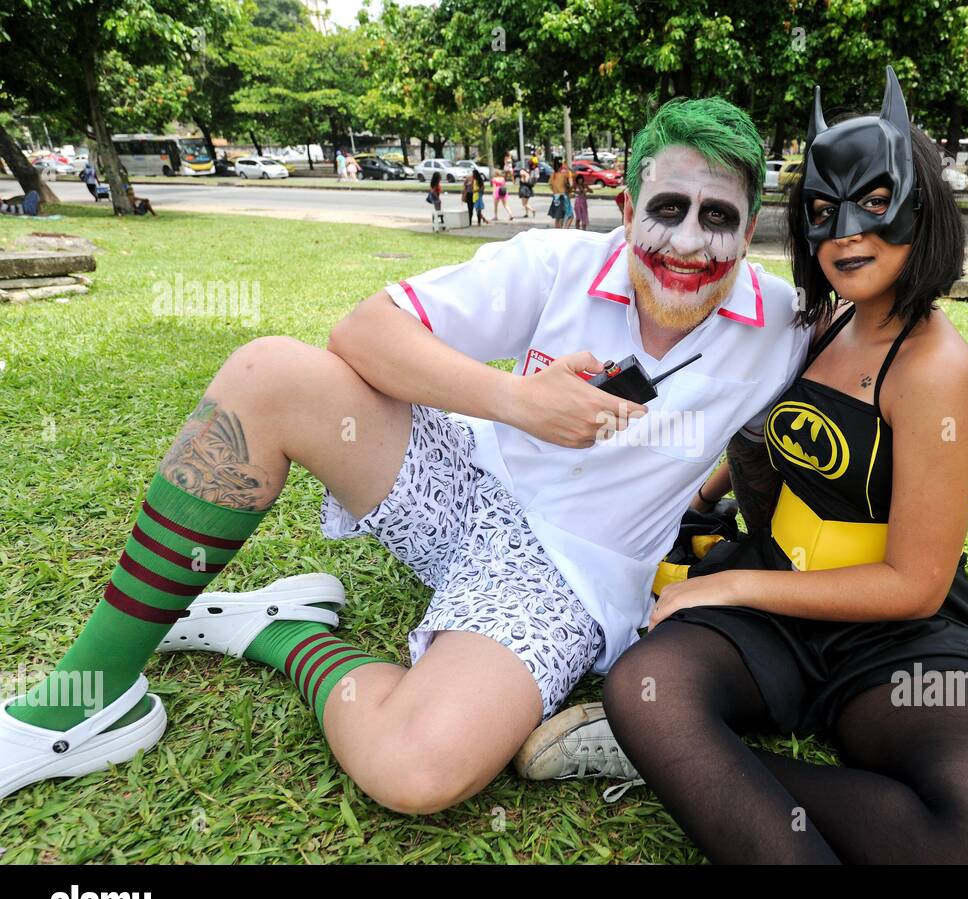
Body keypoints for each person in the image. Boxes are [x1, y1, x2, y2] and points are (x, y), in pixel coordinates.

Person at [0, 97, 815, 818]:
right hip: (465, 484)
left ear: (750, 230)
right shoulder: (556, 261)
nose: (688, 242)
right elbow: (363, 332)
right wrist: (518, 402)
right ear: (627, 205)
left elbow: (887, 338)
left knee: (417, 769)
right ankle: (78, 702)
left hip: (566, 574)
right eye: (668, 207)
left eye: (718, 217)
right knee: (269, 374)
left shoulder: (783, 327)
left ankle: (275, 634)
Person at [521, 68, 968, 865]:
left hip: (892, 634)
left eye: (874, 204)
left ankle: (684, 770)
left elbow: (914, 583)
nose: (845, 232)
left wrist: (727, 583)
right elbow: (761, 430)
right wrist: (700, 502)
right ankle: (672, 752)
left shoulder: (937, 367)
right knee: (647, 690)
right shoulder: (817, 319)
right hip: (777, 598)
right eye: (822, 213)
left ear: (921, 205)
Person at [549, 160, 573, 228]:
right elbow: (570, 185)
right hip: (563, 196)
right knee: (570, 216)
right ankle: (565, 231)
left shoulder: (553, 175)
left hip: (555, 197)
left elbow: (550, 185)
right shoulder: (564, 175)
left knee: (558, 217)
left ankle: (558, 232)